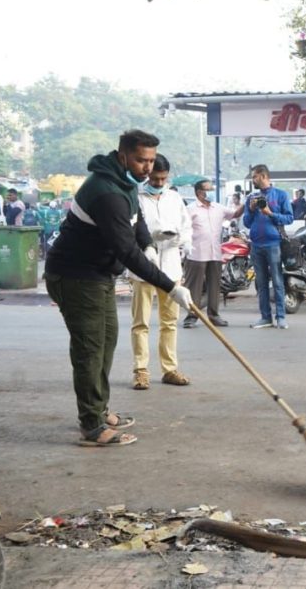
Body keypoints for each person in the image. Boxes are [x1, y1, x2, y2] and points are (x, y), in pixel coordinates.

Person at [44, 130, 193, 447]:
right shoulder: (105, 191)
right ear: (123, 155)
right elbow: (126, 252)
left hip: (97, 275)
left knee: (105, 343)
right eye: (141, 159)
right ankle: (92, 426)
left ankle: (98, 409)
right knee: (90, 350)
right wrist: (169, 286)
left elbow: (135, 222)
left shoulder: (124, 183)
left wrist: (148, 244)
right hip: (75, 276)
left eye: (151, 160)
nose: (147, 167)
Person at [129, 154, 193, 390]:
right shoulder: (136, 197)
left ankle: (169, 369)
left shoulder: (175, 198)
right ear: (148, 175)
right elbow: (131, 229)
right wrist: (151, 239)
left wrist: (178, 238)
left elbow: (187, 228)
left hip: (171, 265)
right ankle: (140, 370)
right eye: (155, 179)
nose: (158, 183)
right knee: (141, 323)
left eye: (163, 179)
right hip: (144, 266)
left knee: (170, 322)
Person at [183, 179, 242, 329]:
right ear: (199, 192)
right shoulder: (190, 209)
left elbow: (234, 214)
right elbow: (183, 228)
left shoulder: (218, 208)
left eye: (211, 189)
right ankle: (191, 316)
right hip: (196, 253)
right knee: (193, 287)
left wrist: (247, 204)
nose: (210, 192)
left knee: (215, 286)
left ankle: (214, 315)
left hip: (215, 253)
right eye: (207, 189)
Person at [243, 164, 294, 329]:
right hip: (256, 246)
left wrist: (270, 213)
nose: (253, 180)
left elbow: (289, 218)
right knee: (261, 283)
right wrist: (251, 210)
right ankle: (265, 317)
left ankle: (281, 317)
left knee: (278, 282)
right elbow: (247, 223)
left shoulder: (280, 195)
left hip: (274, 244)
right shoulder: (252, 197)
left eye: (254, 177)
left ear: (263, 176)